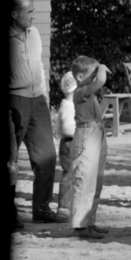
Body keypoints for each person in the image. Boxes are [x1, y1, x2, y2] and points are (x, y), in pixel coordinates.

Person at [9, 0, 63, 226]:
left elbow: (40, 66)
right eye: (29, 12)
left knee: (47, 156)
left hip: (37, 100)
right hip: (14, 100)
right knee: (10, 160)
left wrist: (44, 95)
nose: (34, 16)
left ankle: (41, 209)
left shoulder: (34, 34)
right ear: (14, 14)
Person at [68, 54, 110, 240]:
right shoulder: (79, 92)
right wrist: (102, 67)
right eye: (92, 75)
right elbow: (101, 80)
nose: (96, 79)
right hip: (86, 136)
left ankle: (89, 221)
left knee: (96, 181)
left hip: (96, 134)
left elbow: (99, 83)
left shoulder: (89, 93)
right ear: (79, 77)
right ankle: (80, 226)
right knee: (84, 180)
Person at [57, 70, 78, 219]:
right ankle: (64, 206)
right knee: (69, 173)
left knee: (73, 173)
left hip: (67, 142)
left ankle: (70, 203)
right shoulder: (69, 106)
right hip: (69, 143)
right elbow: (67, 128)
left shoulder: (65, 104)